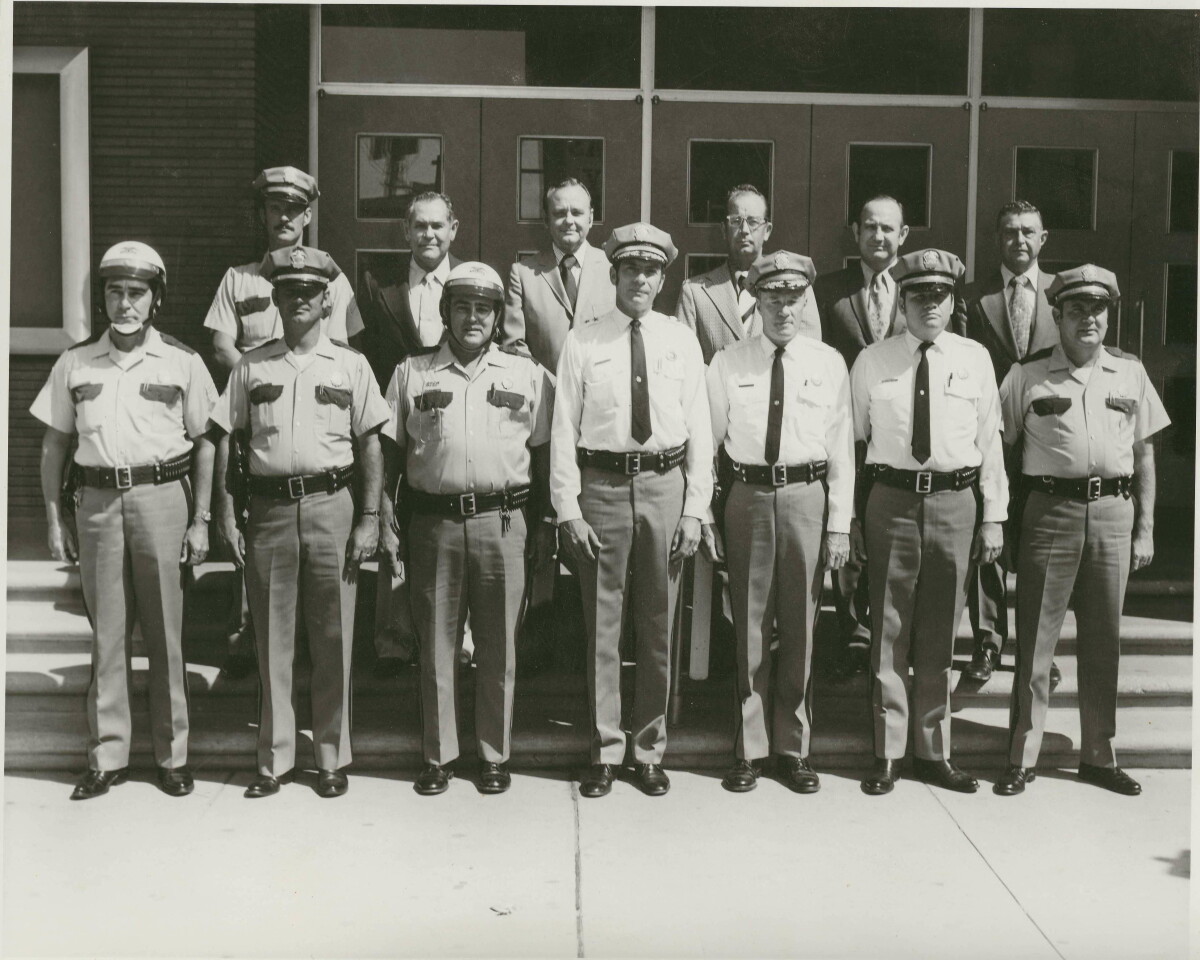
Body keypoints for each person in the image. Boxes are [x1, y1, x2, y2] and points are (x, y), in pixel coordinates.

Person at [33, 241, 217, 800]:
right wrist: (52, 519)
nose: (125, 304)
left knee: (165, 633)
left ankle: (171, 755)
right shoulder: (76, 362)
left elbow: (207, 444)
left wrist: (201, 518)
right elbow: (54, 445)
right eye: (114, 292)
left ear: (155, 299)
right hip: (96, 504)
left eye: (136, 293)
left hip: (163, 500)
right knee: (108, 636)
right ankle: (108, 756)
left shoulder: (182, 361)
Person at [210, 246, 389, 800]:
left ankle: (331, 757)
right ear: (276, 299)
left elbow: (371, 444)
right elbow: (225, 437)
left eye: (308, 292)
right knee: (272, 638)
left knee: (334, 636)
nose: (298, 301)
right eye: (288, 292)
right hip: (267, 512)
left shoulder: (351, 365)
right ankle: (275, 760)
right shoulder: (252, 364)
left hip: (333, 506)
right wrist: (222, 510)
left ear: (325, 299)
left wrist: (369, 517)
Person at [551, 222, 714, 798]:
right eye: (629, 269)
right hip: (602, 487)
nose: (639, 278)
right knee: (602, 626)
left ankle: (648, 747)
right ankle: (603, 748)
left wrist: (696, 509)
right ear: (614, 274)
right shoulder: (584, 341)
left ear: (662, 278)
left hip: (666, 485)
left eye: (650, 270)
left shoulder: (679, 341)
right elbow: (562, 430)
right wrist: (568, 509)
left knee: (657, 624)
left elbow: (701, 431)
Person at [379, 262, 555, 795]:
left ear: (498, 315)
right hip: (433, 523)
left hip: (504, 521)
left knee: (500, 644)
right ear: (446, 312)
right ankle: (439, 756)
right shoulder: (413, 373)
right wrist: (385, 518)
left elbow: (545, 456)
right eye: (462, 306)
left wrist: (545, 523)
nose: (472, 317)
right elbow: (388, 453)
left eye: (484, 308)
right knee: (436, 645)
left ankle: (494, 754)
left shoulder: (527, 376)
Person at [995, 265, 1168, 797]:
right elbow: (1000, 450)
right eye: (1076, 310)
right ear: (1058, 316)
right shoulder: (1027, 375)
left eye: (1097, 309)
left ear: (1108, 314)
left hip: (1113, 515)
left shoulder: (1130, 373)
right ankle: (1022, 755)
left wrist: (1146, 527)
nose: (1088, 319)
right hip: (1049, 512)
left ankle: (1099, 753)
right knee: (1036, 643)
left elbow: (1144, 454)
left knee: (1104, 643)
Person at [850, 249, 1007, 797]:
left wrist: (994, 517)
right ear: (902, 298)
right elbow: (853, 444)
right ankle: (890, 751)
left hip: (954, 502)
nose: (930, 304)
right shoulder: (873, 359)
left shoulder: (975, 359)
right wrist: (849, 517)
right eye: (919, 295)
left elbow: (990, 443)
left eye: (940, 295)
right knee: (888, 630)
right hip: (890, 501)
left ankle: (933, 750)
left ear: (952, 299)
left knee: (941, 631)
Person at [204, 165, 364, 680]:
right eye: (275, 208)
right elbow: (222, 343)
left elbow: (341, 347)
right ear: (264, 214)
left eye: (293, 209)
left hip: (314, 412)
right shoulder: (239, 278)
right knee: (253, 526)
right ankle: (248, 632)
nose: (284, 217)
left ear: (309, 215)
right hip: (253, 408)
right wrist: (259, 380)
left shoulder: (329, 278)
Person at [706, 251, 853, 793]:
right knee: (747, 624)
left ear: (805, 299)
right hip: (746, 495)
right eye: (773, 297)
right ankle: (749, 748)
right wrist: (705, 512)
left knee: (801, 626)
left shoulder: (827, 363)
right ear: (755, 301)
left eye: (794, 297)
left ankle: (793, 747)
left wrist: (839, 523)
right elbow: (708, 442)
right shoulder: (728, 362)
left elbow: (842, 450)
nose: (783, 307)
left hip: (806, 497)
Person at [360, 191, 463, 677]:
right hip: (394, 417)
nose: (429, 235)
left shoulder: (468, 283)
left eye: (438, 226)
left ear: (453, 230)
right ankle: (395, 637)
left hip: (452, 421)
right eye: (419, 226)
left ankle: (457, 642)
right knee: (392, 517)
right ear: (406, 231)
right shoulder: (379, 286)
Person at [963, 200, 1061, 686]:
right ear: (996, 239)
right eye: (1009, 232)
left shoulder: (1065, 294)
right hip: (991, 437)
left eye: (1028, 232)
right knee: (990, 538)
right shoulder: (972, 297)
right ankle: (987, 641)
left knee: (1040, 545)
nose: (1018, 240)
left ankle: (1039, 648)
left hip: (1049, 437)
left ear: (1043, 239)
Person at [814, 195, 912, 678]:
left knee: (893, 533)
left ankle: (888, 633)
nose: (878, 236)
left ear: (903, 235)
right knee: (849, 531)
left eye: (888, 229)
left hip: (902, 438)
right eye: (869, 227)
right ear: (856, 232)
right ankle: (851, 631)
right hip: (849, 432)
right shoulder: (830, 291)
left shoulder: (919, 292)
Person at [677, 184, 820, 365]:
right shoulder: (695, 292)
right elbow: (685, 362)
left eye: (753, 222)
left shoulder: (798, 288)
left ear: (767, 231)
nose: (744, 230)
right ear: (723, 230)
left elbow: (811, 356)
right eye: (736, 221)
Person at [502, 177, 615, 371]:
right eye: (560, 213)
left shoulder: (612, 268)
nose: (569, 221)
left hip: (601, 395)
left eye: (577, 213)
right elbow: (515, 346)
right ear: (547, 220)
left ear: (590, 217)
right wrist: (546, 386)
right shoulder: (523, 274)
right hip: (544, 395)